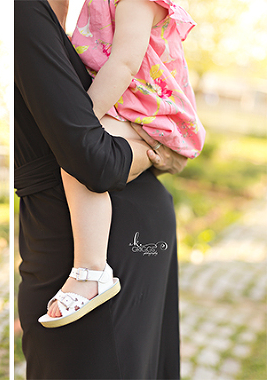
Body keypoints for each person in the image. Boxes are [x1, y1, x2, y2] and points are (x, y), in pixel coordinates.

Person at [15, 1, 188, 378]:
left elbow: (90, 155)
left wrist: (82, 121)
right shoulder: (68, 13)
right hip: (110, 212)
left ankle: (91, 270)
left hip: (117, 222)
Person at [40, 0, 205, 327]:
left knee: (80, 154)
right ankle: (144, 156)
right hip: (130, 103)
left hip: (148, 107)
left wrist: (79, 122)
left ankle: (91, 270)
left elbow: (125, 63)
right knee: (85, 154)